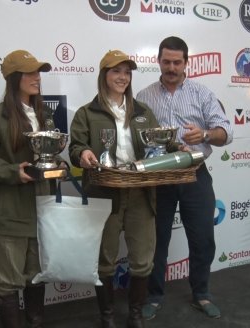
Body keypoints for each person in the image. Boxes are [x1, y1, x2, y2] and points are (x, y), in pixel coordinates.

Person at [136, 36, 233, 320]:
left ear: (186, 63)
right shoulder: (144, 96)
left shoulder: (202, 94)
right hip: (159, 176)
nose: (171, 67)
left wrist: (203, 134)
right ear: (158, 61)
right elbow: (136, 139)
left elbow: (226, 132)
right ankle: (153, 296)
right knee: (157, 240)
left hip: (194, 174)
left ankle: (201, 294)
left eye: (177, 62)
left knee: (203, 238)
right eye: (166, 61)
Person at [69, 50, 164, 328]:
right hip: (104, 194)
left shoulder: (144, 112)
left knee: (143, 260)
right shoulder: (87, 113)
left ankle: (135, 314)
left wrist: (175, 147)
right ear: (104, 76)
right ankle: (107, 316)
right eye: (116, 71)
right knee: (105, 261)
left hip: (140, 193)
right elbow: (75, 147)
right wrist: (83, 152)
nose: (123, 77)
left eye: (127, 72)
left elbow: (159, 144)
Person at [0, 50, 63, 328]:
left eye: (39, 72)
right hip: (8, 214)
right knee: (9, 282)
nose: (37, 78)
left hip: (41, 212)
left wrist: (58, 167)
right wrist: (13, 172)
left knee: (36, 275)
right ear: (13, 78)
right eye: (30, 72)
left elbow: (46, 160)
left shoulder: (44, 116)